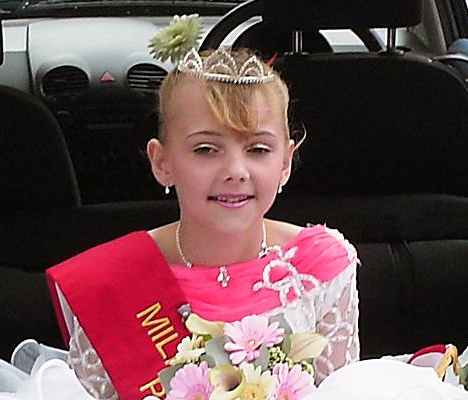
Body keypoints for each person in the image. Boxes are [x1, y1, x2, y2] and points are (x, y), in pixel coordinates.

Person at [45, 47, 360, 399]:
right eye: (206, 150)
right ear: (162, 161)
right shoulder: (105, 282)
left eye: (257, 149)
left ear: (285, 162)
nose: (236, 172)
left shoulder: (320, 266)